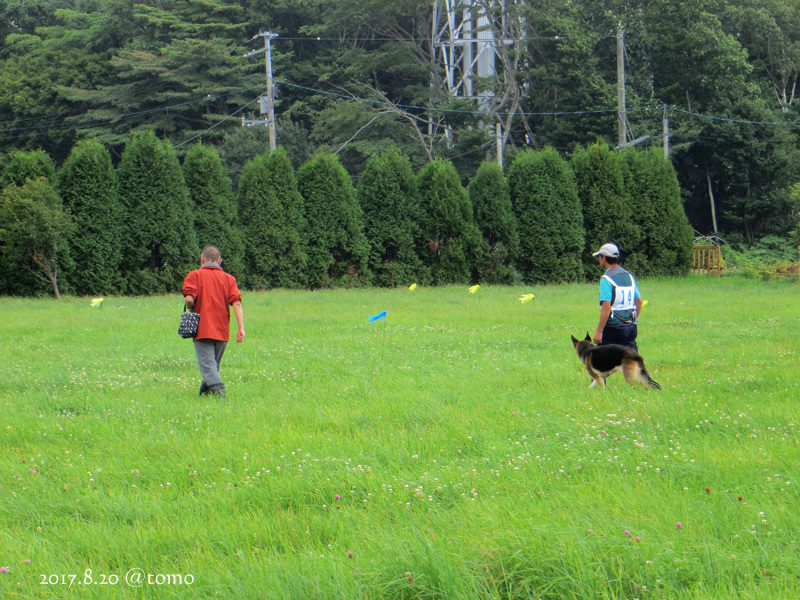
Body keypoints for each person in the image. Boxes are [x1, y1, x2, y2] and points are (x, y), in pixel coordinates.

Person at [182, 246, 245, 397]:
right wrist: (241, 328)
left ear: (202, 259)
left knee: (209, 368)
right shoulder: (229, 279)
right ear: (220, 261)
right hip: (222, 331)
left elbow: (189, 299)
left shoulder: (194, 275)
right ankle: (203, 398)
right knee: (212, 367)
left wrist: (191, 306)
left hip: (202, 329)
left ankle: (221, 398)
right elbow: (236, 303)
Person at [591, 243, 643, 351]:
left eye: (600, 256)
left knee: (601, 363)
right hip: (630, 327)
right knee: (633, 363)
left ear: (604, 257)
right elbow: (638, 301)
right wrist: (632, 320)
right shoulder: (629, 276)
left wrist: (599, 331)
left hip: (613, 329)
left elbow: (606, 307)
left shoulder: (606, 279)